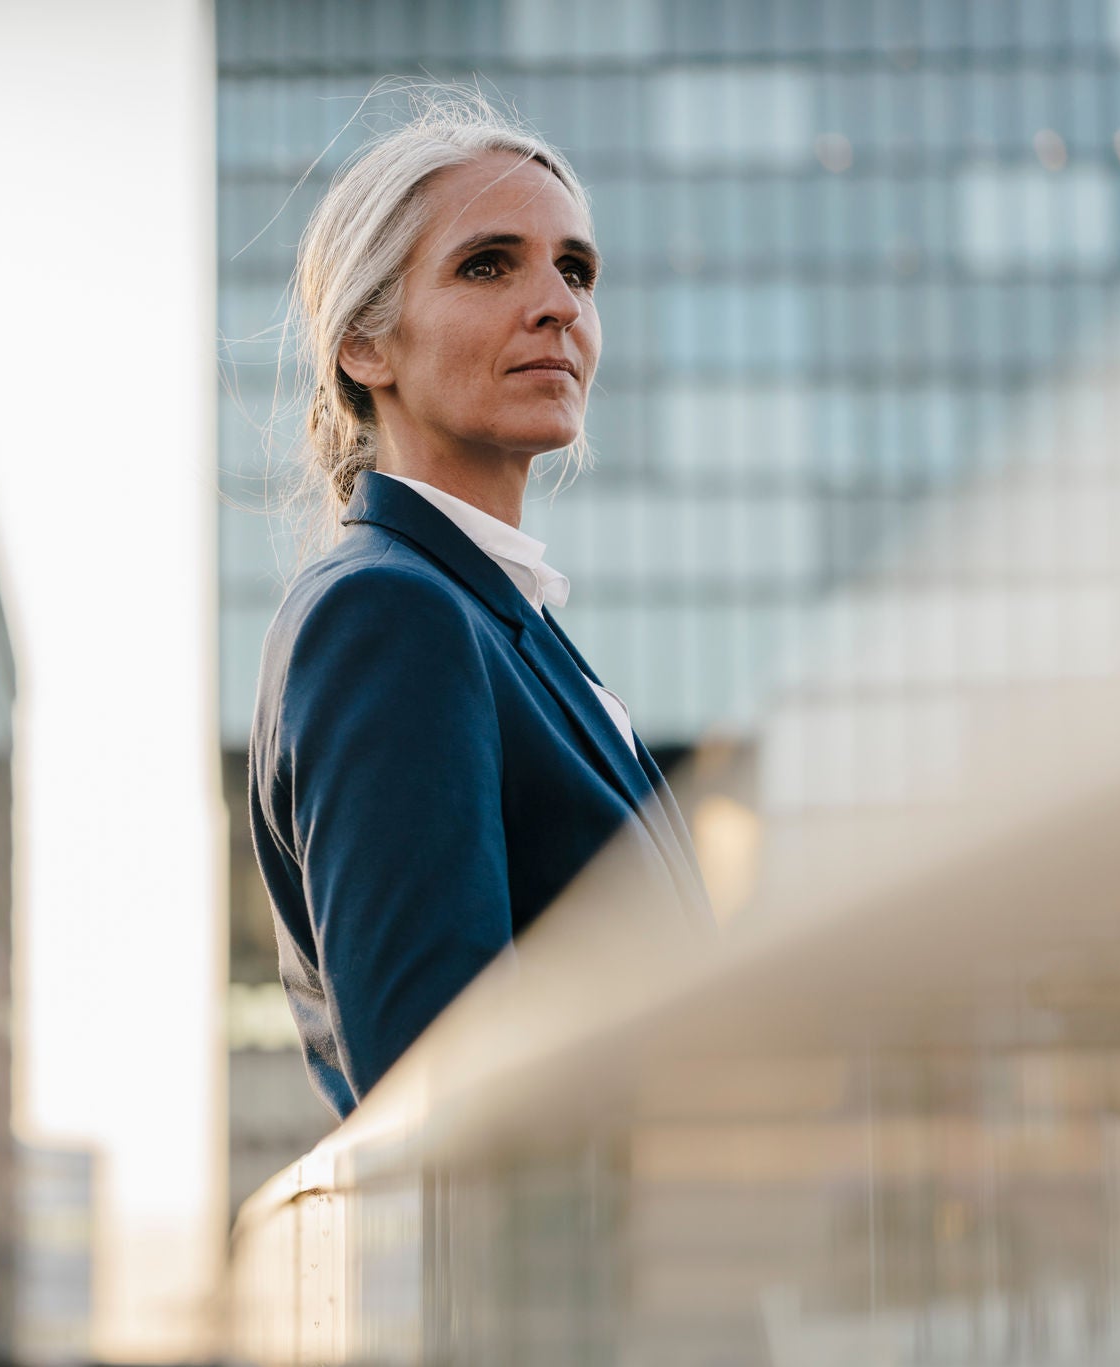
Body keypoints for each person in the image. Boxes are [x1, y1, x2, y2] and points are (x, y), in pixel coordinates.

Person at [247, 91, 710, 1122]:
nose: (556, 304)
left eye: (575, 269)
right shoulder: (386, 617)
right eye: (488, 264)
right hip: (559, 1275)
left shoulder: (505, 624)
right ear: (366, 346)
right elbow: (441, 1074)